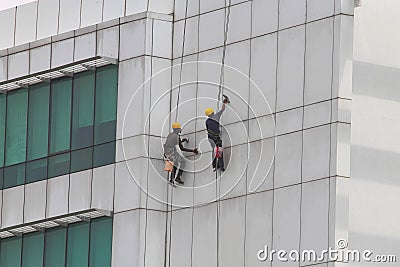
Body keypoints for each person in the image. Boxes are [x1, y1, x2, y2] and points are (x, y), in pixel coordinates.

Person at [205, 95, 229, 171]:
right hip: (216, 138)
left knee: (214, 150)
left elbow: (207, 129)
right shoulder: (216, 116)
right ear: (212, 112)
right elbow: (222, 109)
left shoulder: (207, 121)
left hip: (210, 138)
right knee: (219, 149)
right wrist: (224, 102)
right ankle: (221, 165)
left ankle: (215, 165)